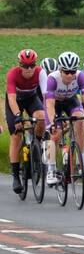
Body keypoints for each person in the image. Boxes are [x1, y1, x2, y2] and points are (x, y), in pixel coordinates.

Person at [43, 51, 84, 184]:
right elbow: (49, 104)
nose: (70, 75)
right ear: (60, 69)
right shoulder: (52, 79)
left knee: (81, 121)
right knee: (55, 134)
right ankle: (51, 169)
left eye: (73, 71)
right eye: (66, 72)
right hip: (55, 104)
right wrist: (52, 122)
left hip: (71, 101)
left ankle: (83, 162)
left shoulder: (80, 76)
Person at [6, 49, 47, 192]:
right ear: (20, 65)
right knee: (16, 136)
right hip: (15, 102)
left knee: (42, 117)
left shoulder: (40, 72)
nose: (29, 69)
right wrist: (18, 115)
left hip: (31, 99)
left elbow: (46, 95)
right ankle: (16, 176)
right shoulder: (12, 74)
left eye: (32, 65)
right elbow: (11, 98)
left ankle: (36, 146)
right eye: (25, 66)